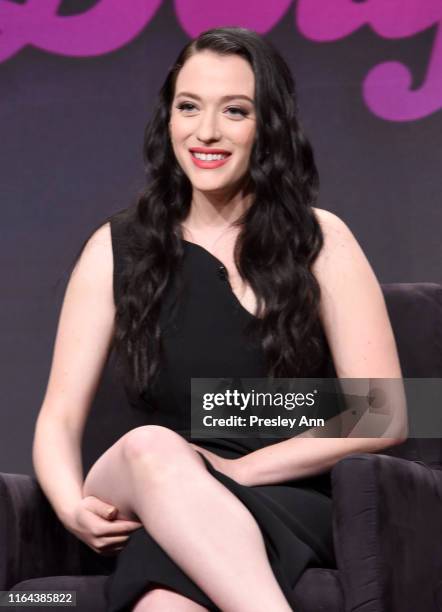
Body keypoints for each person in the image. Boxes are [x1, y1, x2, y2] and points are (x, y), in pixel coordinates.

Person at [32, 27, 407, 612]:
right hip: (148, 481)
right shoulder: (116, 246)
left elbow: (385, 413)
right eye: (189, 107)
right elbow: (58, 415)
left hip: (284, 495)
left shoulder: (321, 239)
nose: (206, 132)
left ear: (270, 126)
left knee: (164, 605)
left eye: (235, 110)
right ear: (169, 120)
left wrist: (240, 470)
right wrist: (67, 504)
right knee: (151, 448)